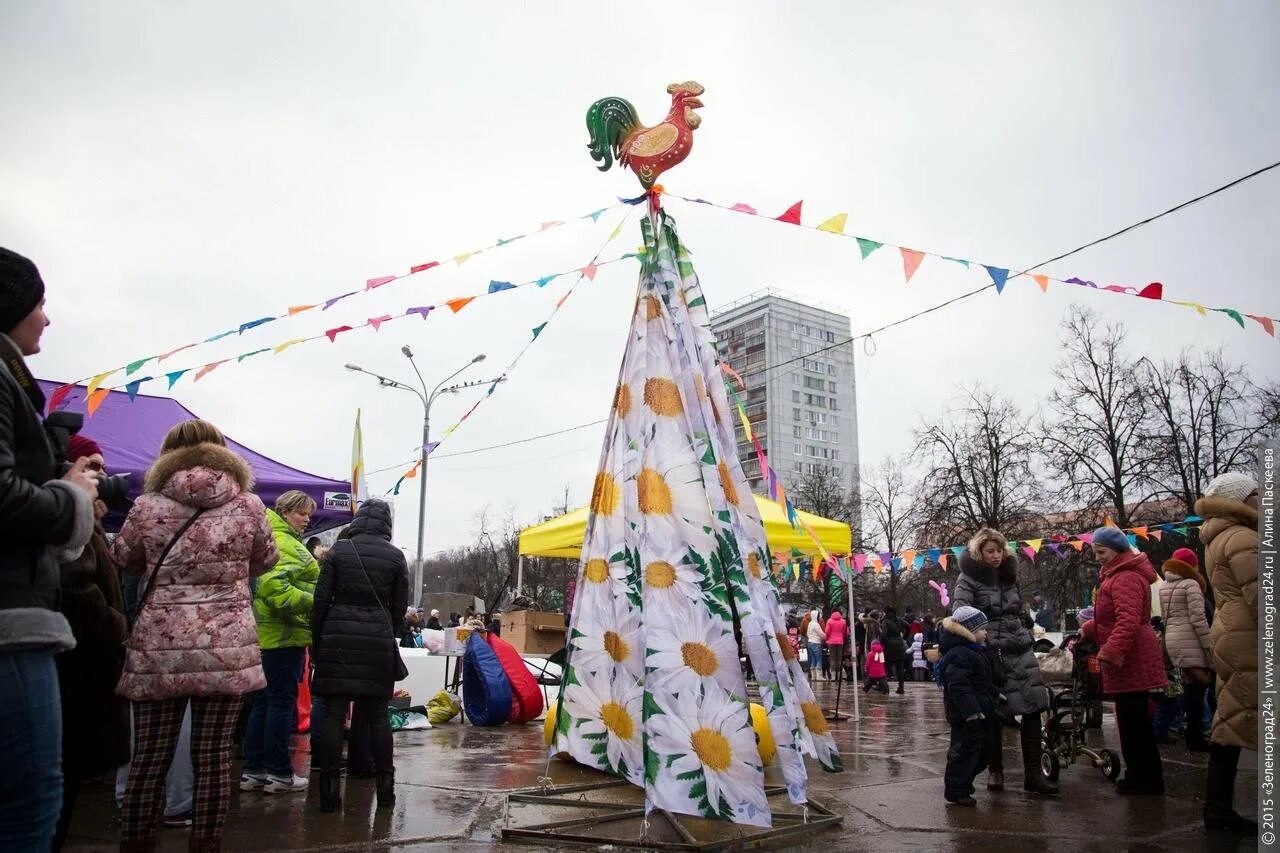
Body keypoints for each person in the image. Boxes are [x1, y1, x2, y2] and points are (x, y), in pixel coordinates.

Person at [112, 419, 278, 851]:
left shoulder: (147, 504)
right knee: (213, 759)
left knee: (149, 758)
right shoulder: (249, 505)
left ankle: (136, 843)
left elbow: (124, 557)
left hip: (159, 646)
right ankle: (205, 844)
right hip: (226, 646)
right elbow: (265, 560)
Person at [0, 247, 99, 850]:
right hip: (10, 623)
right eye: (40, 303)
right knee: (30, 801)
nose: (47, 318)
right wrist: (71, 497)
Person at [52, 436, 133, 850]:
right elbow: (77, 587)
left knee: (61, 787)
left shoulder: (90, 518)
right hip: (72, 663)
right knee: (54, 788)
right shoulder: (67, 519)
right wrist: (116, 625)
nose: (103, 477)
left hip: (82, 664)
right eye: (93, 467)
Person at [311, 500, 409, 814]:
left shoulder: (339, 551)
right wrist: (385, 633)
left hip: (337, 637)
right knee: (378, 717)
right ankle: (386, 792)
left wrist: (318, 642)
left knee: (332, 715)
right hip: (377, 640)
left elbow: (321, 600)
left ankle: (327, 794)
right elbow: (398, 609)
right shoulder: (396, 557)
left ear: (359, 520)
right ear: (386, 524)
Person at [953, 528, 1057, 796]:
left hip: (1020, 648)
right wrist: (979, 640)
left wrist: (1025, 626)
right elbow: (960, 614)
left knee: (1033, 707)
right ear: (980, 552)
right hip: (991, 652)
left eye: (999, 550)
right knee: (996, 713)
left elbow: (1019, 608)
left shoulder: (1010, 577)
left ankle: (1033, 774)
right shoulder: (967, 580)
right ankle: (995, 769)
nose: (996, 556)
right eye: (990, 551)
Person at [241, 490, 319, 796]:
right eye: (302, 513)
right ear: (286, 512)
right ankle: (278, 773)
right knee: (278, 704)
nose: (306, 519)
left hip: (266, 636)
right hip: (283, 638)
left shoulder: (271, 538)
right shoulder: (285, 543)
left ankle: (254, 770)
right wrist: (315, 601)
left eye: (309, 514)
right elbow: (275, 590)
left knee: (263, 704)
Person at [1080, 526, 1166, 796]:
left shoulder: (1126, 577)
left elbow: (1127, 622)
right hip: (1130, 655)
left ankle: (1144, 779)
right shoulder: (1117, 575)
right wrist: (1090, 628)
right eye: (1095, 552)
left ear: (1117, 550)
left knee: (1134, 722)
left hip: (1131, 657)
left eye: (1101, 551)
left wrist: (1110, 652)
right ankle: (1142, 776)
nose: (1098, 557)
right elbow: (1113, 619)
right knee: (1132, 719)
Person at [1198, 472, 1260, 835]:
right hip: (1247, 637)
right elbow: (1263, 597)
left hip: (1230, 634)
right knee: (1236, 722)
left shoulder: (1220, 537)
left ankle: (1217, 808)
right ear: (1241, 500)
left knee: (1230, 723)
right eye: (1255, 494)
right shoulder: (1241, 538)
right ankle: (1217, 809)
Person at [938, 605, 998, 807]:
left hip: (981, 710)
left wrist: (995, 695)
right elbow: (959, 687)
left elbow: (982, 682)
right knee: (964, 751)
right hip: (966, 715)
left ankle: (963, 782)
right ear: (969, 631)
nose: (986, 632)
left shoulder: (975, 652)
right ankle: (957, 788)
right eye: (982, 629)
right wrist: (971, 711)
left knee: (984, 749)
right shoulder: (960, 654)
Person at [1158, 547, 1212, 752]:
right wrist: (1209, 645)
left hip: (1173, 639)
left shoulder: (1164, 585)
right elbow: (1198, 619)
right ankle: (1195, 736)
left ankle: (1192, 733)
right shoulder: (1191, 585)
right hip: (1191, 639)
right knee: (1199, 688)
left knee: (1190, 687)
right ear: (1193, 565)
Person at [880, 606, 908, 694]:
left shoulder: (885, 621)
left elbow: (884, 634)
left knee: (885, 667)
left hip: (890, 647)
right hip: (900, 645)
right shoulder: (899, 620)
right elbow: (908, 626)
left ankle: (884, 687)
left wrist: (882, 644)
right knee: (900, 668)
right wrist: (905, 637)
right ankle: (901, 688)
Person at [825, 608, 848, 682]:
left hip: (831, 642)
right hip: (840, 641)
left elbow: (827, 632)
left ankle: (833, 676)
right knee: (839, 659)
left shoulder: (829, 621)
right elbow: (846, 632)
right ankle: (839, 676)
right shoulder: (843, 621)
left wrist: (828, 639)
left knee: (832, 659)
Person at [804, 607, 826, 681]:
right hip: (816, 643)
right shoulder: (816, 625)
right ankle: (819, 676)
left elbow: (807, 633)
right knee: (819, 659)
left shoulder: (810, 623)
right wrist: (826, 636)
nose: (820, 618)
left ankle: (813, 676)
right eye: (819, 616)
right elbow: (821, 634)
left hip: (810, 643)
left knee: (813, 659)